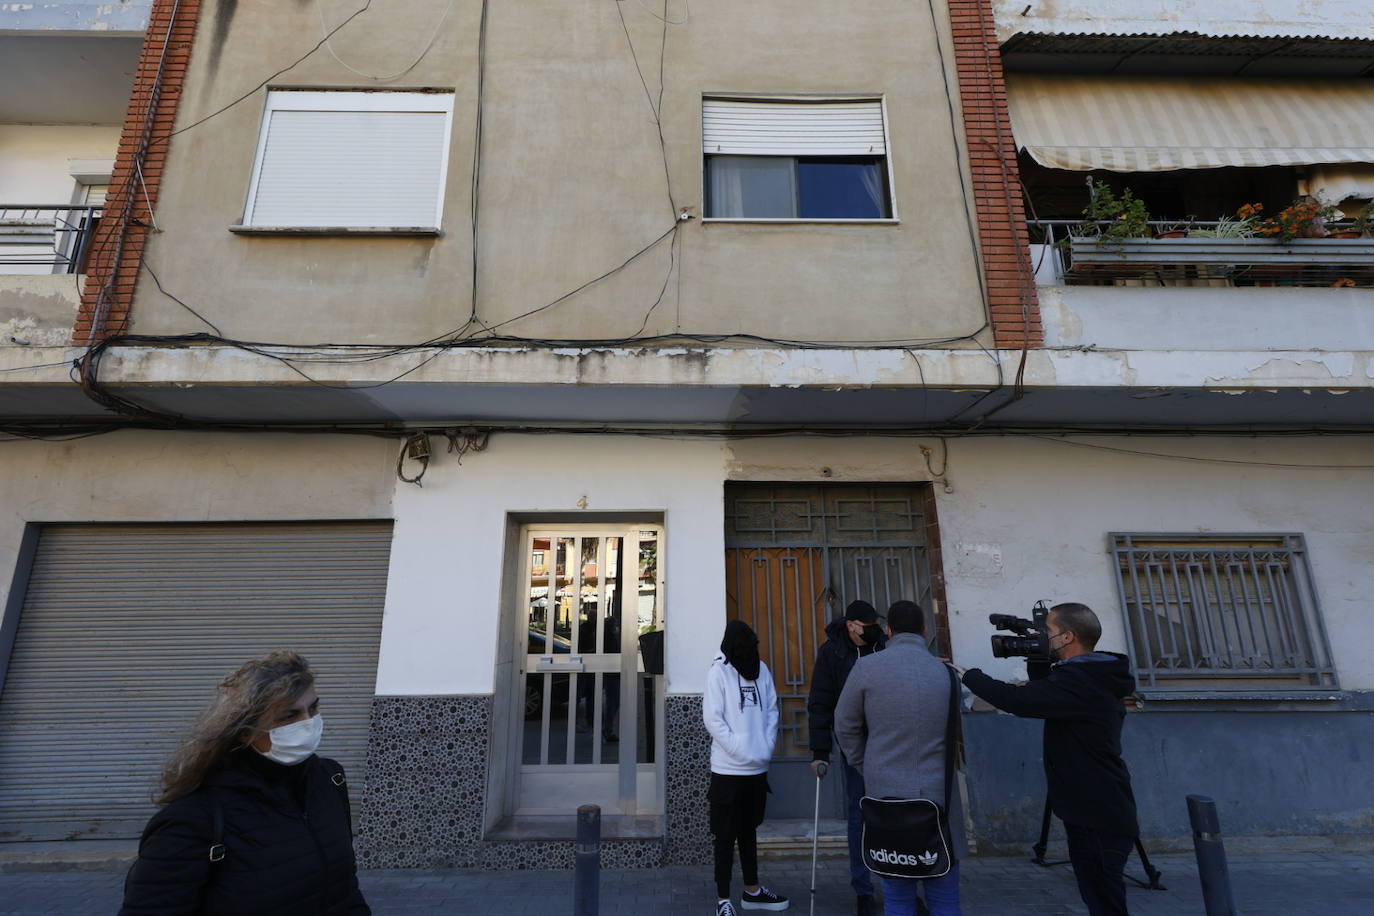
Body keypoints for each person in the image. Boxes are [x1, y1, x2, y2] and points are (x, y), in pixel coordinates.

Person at [119, 651, 369, 915]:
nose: (308, 724)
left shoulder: (329, 779)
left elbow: (344, 888)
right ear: (245, 731)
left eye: (313, 708)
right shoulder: (194, 819)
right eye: (288, 716)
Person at [956, 603, 1139, 916]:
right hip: (1096, 808)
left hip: (1097, 813)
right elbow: (1045, 692)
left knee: (1106, 902)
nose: (1043, 638)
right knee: (1100, 898)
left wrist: (970, 675)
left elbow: (1020, 700)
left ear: (1067, 637)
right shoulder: (1092, 675)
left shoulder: (1081, 682)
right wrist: (1038, 656)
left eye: (1048, 633)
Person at [834, 601, 964, 916]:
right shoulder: (946, 674)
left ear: (889, 631)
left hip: (886, 796)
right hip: (939, 797)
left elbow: (844, 724)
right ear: (925, 630)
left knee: (897, 896)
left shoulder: (866, 668)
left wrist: (864, 764)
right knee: (945, 895)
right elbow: (957, 735)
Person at [703, 620, 790, 915]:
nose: (747, 653)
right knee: (725, 837)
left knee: (749, 832)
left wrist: (764, 749)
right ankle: (723, 900)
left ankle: (752, 890)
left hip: (756, 770)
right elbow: (714, 721)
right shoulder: (719, 672)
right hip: (728, 771)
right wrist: (742, 751)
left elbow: (772, 710)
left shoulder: (761, 669)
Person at [806, 600, 887, 915]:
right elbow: (821, 701)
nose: (871, 629)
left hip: (888, 740)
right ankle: (863, 889)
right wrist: (819, 751)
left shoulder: (882, 644)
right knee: (859, 815)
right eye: (865, 625)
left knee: (894, 814)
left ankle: (901, 883)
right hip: (855, 745)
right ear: (852, 625)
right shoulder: (833, 652)